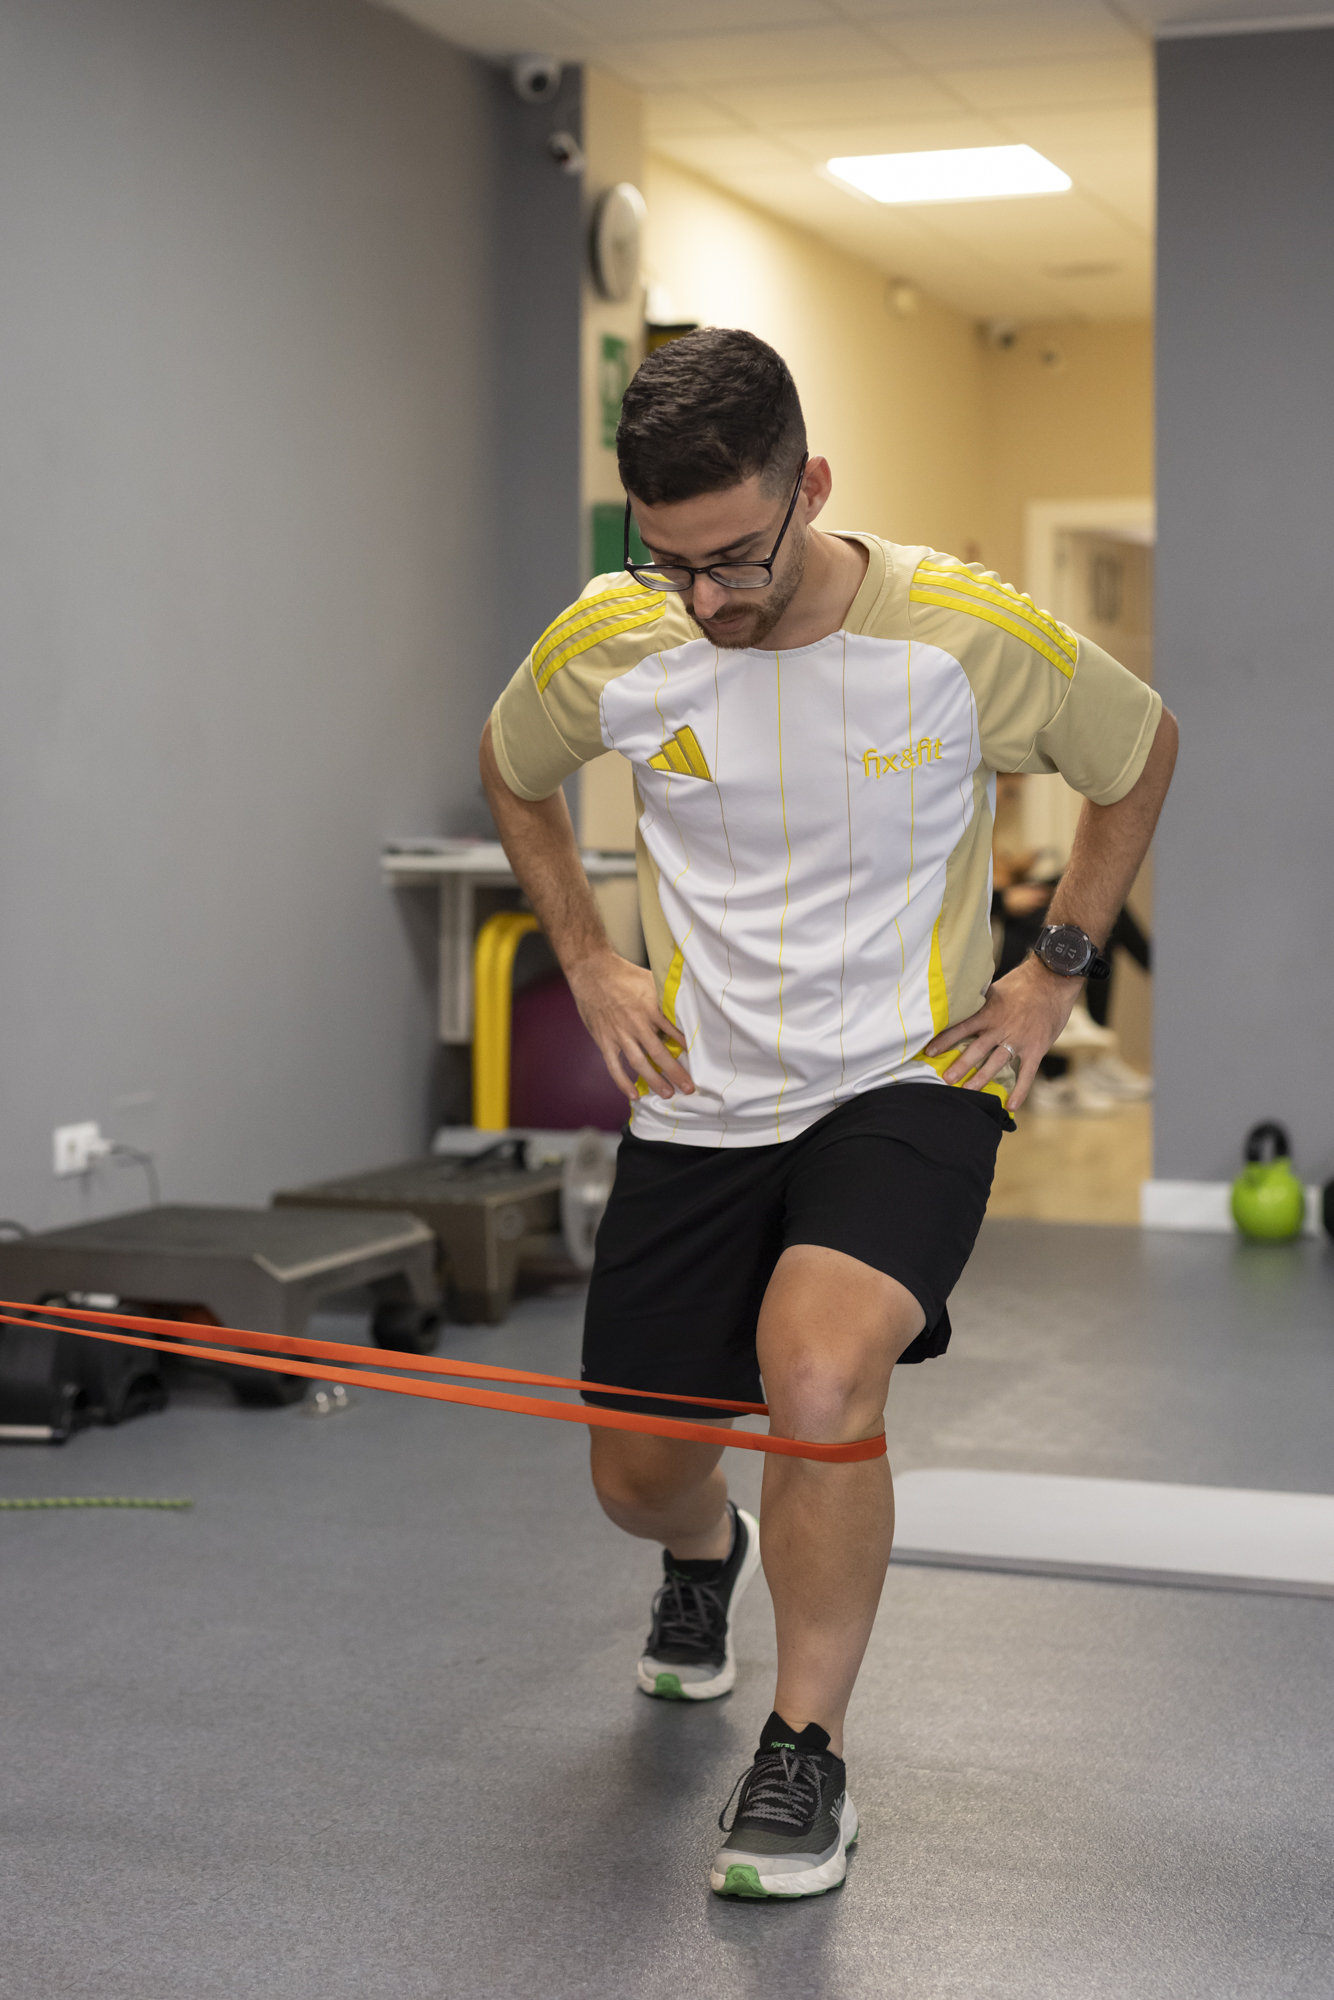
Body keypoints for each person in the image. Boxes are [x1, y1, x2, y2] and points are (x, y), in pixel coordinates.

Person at [480, 328, 1177, 1900]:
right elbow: (511, 768)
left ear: (812, 489)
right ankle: (701, 1551)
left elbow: (1137, 753)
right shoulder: (613, 635)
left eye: (733, 556)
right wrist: (584, 955)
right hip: (702, 1095)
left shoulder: (958, 634)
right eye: (668, 561)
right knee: (634, 1476)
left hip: (904, 1077)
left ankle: (805, 1752)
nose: (704, 599)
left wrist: (1052, 972)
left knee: (815, 1370)